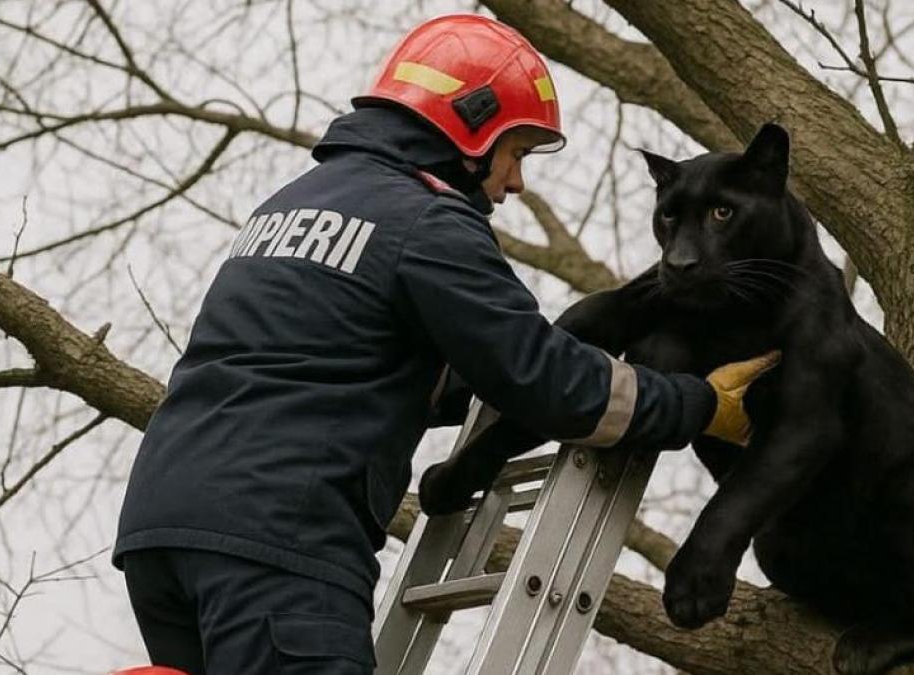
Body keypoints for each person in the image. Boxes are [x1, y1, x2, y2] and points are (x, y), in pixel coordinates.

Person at [112, 14, 776, 674]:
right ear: (470, 125)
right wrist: (695, 403)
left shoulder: (288, 206)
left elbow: (345, 357)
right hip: (281, 540)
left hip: (159, 533)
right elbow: (548, 381)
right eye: (514, 153)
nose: (515, 182)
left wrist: (474, 380)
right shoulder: (428, 221)